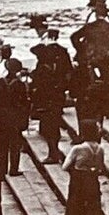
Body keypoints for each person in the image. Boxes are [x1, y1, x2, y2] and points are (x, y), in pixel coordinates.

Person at [59, 121, 107, 215]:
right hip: (92, 184)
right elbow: (100, 168)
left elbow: (65, 166)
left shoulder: (78, 148)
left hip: (78, 184)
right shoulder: (100, 149)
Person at [29, 28, 72, 164]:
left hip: (46, 96)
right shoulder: (62, 51)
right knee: (54, 122)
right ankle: (54, 152)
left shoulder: (44, 53)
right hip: (58, 94)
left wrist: (45, 41)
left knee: (49, 125)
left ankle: (53, 153)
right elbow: (68, 71)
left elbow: (34, 49)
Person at [0, 59, 31, 176]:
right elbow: (23, 103)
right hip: (15, 117)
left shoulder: (1, 82)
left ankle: (2, 170)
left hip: (3, 116)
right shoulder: (19, 84)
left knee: (3, 144)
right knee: (15, 144)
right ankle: (13, 169)